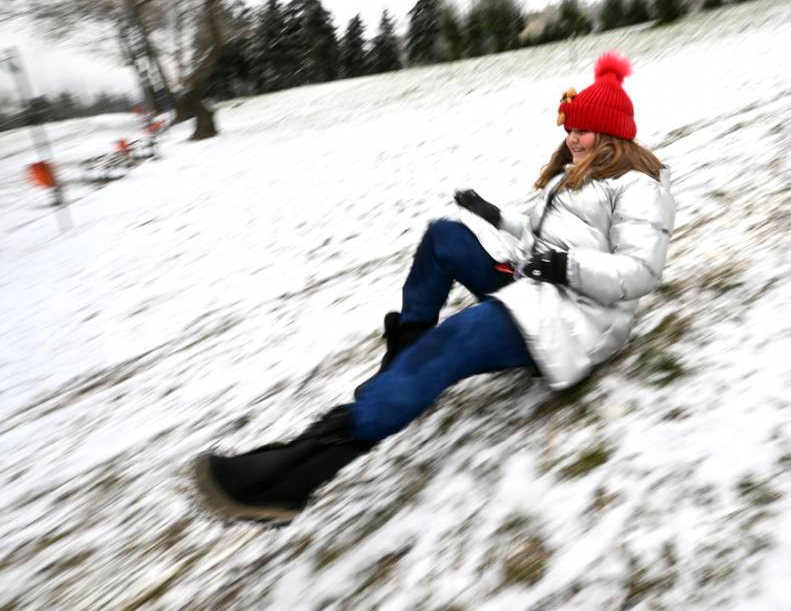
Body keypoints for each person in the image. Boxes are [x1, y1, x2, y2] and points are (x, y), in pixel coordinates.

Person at [194, 52, 676, 524]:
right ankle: (403, 360)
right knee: (444, 235)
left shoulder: (639, 188)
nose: (572, 138)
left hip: (578, 318)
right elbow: (537, 235)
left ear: (613, 131)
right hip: (535, 284)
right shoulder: (572, 178)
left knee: (457, 339)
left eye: (583, 129)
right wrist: (493, 215)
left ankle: (293, 475)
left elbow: (640, 273)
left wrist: (565, 267)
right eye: (569, 128)